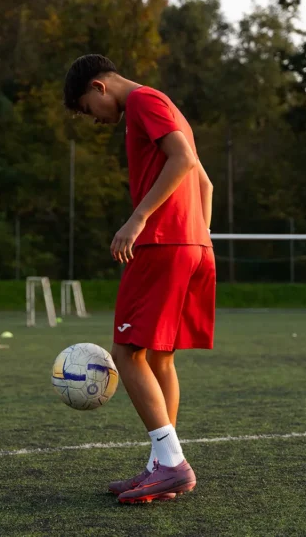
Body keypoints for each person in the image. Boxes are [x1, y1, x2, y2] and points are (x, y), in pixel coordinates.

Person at [63, 54, 215, 504]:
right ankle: (162, 464)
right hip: (192, 245)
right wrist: (197, 238)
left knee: (126, 353)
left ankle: (171, 464)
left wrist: (139, 219)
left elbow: (182, 159)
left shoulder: (143, 102)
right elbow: (205, 184)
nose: (95, 119)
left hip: (163, 244)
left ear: (99, 87)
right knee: (160, 358)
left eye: (89, 109)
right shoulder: (166, 106)